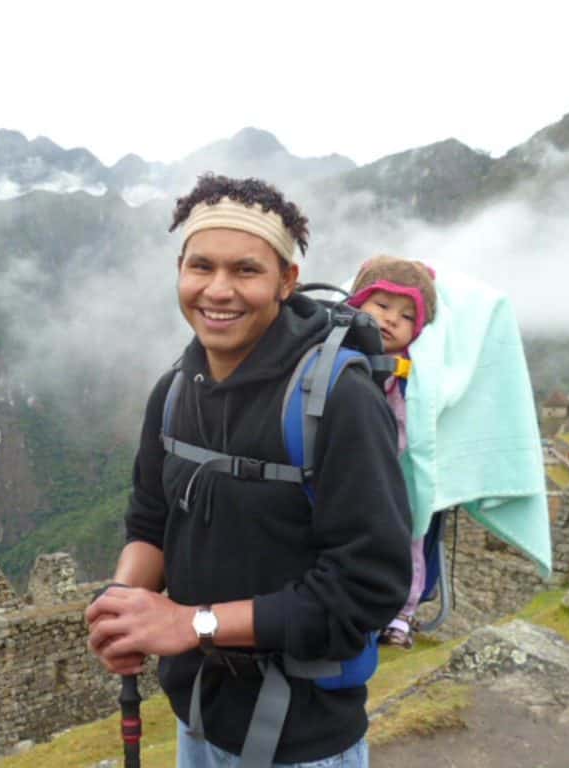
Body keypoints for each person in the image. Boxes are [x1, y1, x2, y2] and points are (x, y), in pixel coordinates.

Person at [86, 174, 412, 767]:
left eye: (245, 270)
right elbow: (151, 523)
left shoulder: (339, 402)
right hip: (198, 720)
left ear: (287, 281)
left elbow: (366, 588)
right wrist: (125, 605)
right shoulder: (174, 393)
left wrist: (192, 624)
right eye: (201, 267)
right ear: (179, 270)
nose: (218, 290)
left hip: (304, 739)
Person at [346, 256, 437, 648]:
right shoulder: (333, 350)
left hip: (393, 475)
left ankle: (401, 614)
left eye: (405, 317)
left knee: (405, 540)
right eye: (381, 306)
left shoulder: (410, 371)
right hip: (343, 473)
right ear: (358, 302)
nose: (390, 320)